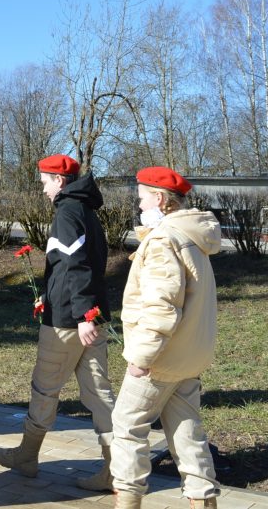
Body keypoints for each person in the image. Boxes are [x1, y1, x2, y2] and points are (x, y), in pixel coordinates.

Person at [0, 154, 116, 490]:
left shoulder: (67, 211)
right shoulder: (85, 210)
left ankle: (26, 457)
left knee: (44, 389)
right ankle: (117, 471)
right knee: (100, 394)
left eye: (45, 181)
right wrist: (50, 293)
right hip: (86, 315)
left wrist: (80, 314)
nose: (43, 189)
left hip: (69, 322)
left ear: (59, 180)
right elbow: (71, 265)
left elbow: (78, 267)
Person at [111, 167, 222, 509]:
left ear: (159, 198)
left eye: (142, 197)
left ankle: (127, 501)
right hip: (189, 356)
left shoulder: (164, 240)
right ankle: (203, 500)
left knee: (128, 426)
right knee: (187, 430)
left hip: (161, 359)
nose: (140, 204)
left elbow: (161, 307)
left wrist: (141, 358)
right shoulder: (191, 237)